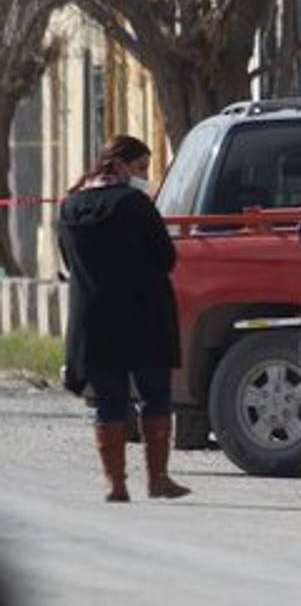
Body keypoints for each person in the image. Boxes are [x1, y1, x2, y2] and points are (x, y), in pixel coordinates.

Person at [58, 135, 191, 502]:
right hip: (144, 313)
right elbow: (165, 258)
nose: (144, 176)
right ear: (118, 165)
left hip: (95, 321)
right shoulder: (135, 204)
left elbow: (68, 262)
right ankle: (158, 478)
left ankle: (115, 484)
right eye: (141, 168)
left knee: (109, 401)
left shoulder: (70, 206)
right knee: (155, 397)